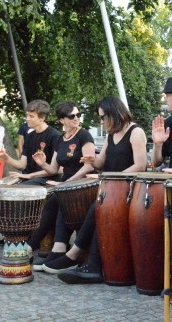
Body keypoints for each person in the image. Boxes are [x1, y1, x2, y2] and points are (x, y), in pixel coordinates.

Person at [46, 96, 147, 283]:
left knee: (96, 209)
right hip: (110, 189)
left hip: (128, 189)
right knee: (93, 208)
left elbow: (141, 165)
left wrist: (113, 178)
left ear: (113, 113)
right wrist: (92, 161)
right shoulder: (111, 135)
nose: (101, 121)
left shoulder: (135, 132)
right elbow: (101, 163)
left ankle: (75, 255)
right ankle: (87, 262)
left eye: (103, 117)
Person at [29, 100, 96, 272]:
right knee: (53, 202)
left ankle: (44, 248)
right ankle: (50, 249)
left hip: (82, 183)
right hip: (66, 183)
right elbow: (53, 169)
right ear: (62, 120)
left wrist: (65, 184)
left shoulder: (84, 135)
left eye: (78, 115)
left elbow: (89, 165)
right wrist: (42, 163)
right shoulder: (60, 139)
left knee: (59, 200)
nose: (77, 118)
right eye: (72, 116)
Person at [0, 99, 61, 185]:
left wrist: (30, 175)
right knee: (0, 187)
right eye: (27, 115)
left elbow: (58, 170)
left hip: (47, 179)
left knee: (14, 191)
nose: (27, 119)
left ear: (42, 118)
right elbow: (22, 165)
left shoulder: (55, 136)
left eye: (31, 116)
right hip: (29, 178)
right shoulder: (29, 136)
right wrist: (7, 159)